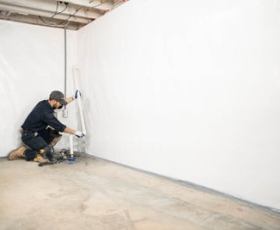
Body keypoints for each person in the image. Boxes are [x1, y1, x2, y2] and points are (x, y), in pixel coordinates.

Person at [8, 90, 84, 163]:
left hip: (38, 132)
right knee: (47, 156)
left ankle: (42, 149)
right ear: (54, 101)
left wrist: (74, 97)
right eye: (60, 103)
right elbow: (60, 127)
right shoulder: (46, 113)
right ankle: (23, 151)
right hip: (29, 135)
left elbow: (62, 103)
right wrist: (76, 132)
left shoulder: (45, 103)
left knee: (55, 135)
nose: (61, 105)